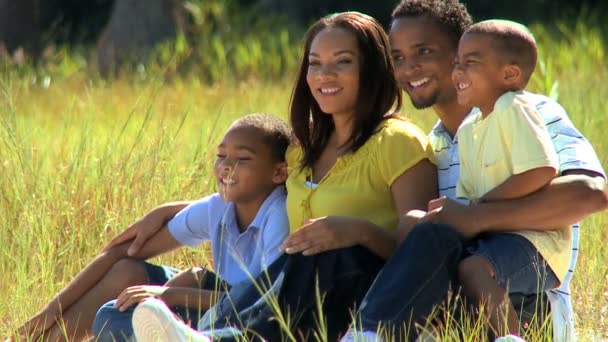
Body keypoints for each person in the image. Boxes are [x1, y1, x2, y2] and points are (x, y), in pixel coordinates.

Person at [124, 11, 438, 342]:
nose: (324, 75)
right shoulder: (302, 150)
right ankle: (214, 333)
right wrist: (169, 210)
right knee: (118, 317)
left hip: (365, 292)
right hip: (295, 285)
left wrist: (357, 231)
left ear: (371, 70)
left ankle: (221, 337)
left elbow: (417, 255)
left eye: (342, 62)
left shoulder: (399, 140)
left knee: (325, 254)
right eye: (315, 64)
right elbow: (257, 198)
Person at [341, 1, 606, 341]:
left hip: (526, 305)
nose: (410, 67)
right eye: (398, 57)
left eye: (424, 51)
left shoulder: (527, 109)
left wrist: (475, 216)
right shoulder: (430, 147)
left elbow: (589, 192)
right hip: (455, 307)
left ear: (460, 52)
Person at [16, 113, 293, 341]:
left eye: (243, 159)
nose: (226, 167)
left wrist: (167, 294)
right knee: (113, 308)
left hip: (248, 320)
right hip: (212, 302)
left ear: (279, 172)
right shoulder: (219, 206)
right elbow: (125, 252)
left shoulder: (279, 215)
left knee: (123, 322)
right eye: (221, 156)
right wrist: (51, 312)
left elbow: (260, 303)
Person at [452, 19, 565, 340]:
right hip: (497, 240)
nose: (458, 72)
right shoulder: (469, 130)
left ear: (510, 75)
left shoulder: (512, 106)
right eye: (456, 63)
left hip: (535, 242)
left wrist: (481, 207)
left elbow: (541, 170)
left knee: (473, 269)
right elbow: (470, 200)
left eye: (470, 63)